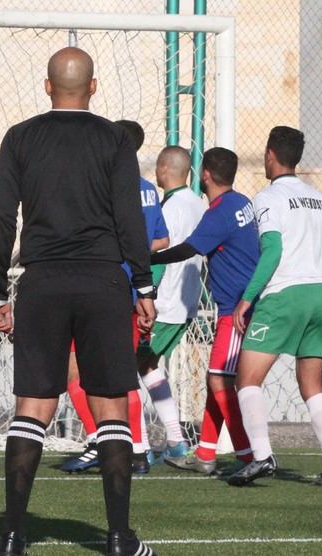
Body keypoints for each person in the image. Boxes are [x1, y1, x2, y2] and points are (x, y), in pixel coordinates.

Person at [0, 47, 156, 556]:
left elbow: (2, 216)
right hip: (103, 282)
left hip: (42, 282)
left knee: (33, 406)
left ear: (47, 86)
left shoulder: (20, 136)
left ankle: (12, 535)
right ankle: (120, 537)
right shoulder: (115, 139)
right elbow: (129, 217)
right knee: (111, 407)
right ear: (94, 86)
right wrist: (144, 286)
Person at [227, 126, 322, 487]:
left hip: (284, 296)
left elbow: (273, 250)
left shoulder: (267, 197)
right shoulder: (318, 198)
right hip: (320, 296)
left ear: (270, 155)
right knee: (312, 385)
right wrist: (309, 267)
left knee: (247, 379)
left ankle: (262, 456)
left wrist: (246, 299)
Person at [60, 120, 169, 476]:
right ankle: (136, 450)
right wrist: (135, 254)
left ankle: (98, 441)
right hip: (133, 289)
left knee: (78, 369)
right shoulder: (148, 189)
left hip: (102, 287)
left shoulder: (106, 185)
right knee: (121, 372)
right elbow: (161, 240)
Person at [150, 147, 258, 474]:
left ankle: (249, 456)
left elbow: (187, 249)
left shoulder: (219, 212)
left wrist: (149, 258)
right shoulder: (241, 202)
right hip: (241, 305)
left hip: (235, 311)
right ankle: (206, 454)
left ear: (206, 174)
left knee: (218, 379)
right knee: (218, 379)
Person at [136, 146, 204, 463]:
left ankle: (139, 447)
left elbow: (160, 259)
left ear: (164, 168)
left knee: (124, 370)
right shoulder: (197, 204)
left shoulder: (170, 208)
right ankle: (176, 441)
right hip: (186, 302)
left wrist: (145, 297)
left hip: (162, 304)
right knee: (148, 366)